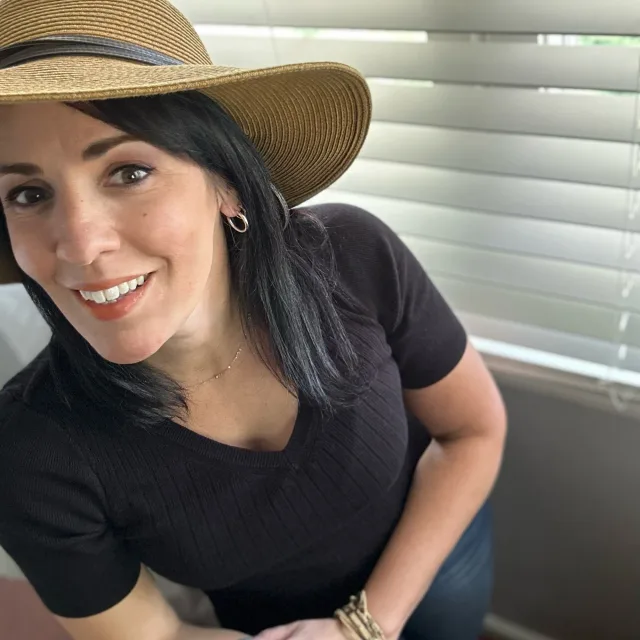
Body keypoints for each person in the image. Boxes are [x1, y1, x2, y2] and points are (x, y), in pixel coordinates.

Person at [0, 1, 507, 639]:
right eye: (28, 193)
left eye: (129, 172)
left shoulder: (351, 257)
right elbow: (154, 633)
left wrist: (364, 626)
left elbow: (471, 433)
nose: (78, 245)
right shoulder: (32, 453)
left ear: (228, 185)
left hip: (438, 563)